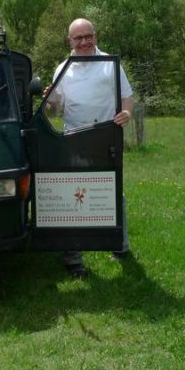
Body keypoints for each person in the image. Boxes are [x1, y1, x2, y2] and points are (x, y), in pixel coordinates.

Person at [48, 18, 134, 278]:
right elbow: (55, 109)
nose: (84, 42)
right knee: (73, 196)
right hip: (74, 139)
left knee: (112, 191)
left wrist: (127, 114)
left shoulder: (110, 64)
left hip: (107, 138)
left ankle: (119, 245)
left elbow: (127, 98)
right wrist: (49, 98)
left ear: (95, 36)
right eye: (79, 38)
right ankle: (73, 257)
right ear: (70, 41)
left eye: (89, 36)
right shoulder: (63, 69)